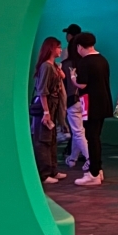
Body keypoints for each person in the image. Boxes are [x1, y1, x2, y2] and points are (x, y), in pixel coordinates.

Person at [70, 32, 112, 185]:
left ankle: (93, 174)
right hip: (104, 103)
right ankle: (97, 169)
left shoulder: (85, 62)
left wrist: (73, 78)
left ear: (80, 47)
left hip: (90, 104)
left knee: (92, 138)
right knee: (96, 137)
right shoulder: (103, 60)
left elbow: (82, 84)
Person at [32, 38, 68, 185]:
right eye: (58, 47)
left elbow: (62, 78)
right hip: (46, 106)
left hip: (53, 105)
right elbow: (43, 91)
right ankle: (44, 173)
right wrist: (46, 112)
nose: (60, 50)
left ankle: (52, 169)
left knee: (52, 138)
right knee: (44, 139)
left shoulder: (53, 66)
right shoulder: (46, 66)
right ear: (51, 48)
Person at [62, 45, 89, 175]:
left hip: (72, 100)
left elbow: (63, 86)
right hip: (85, 100)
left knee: (78, 132)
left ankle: (90, 158)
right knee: (79, 131)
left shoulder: (65, 65)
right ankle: (72, 158)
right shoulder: (84, 63)